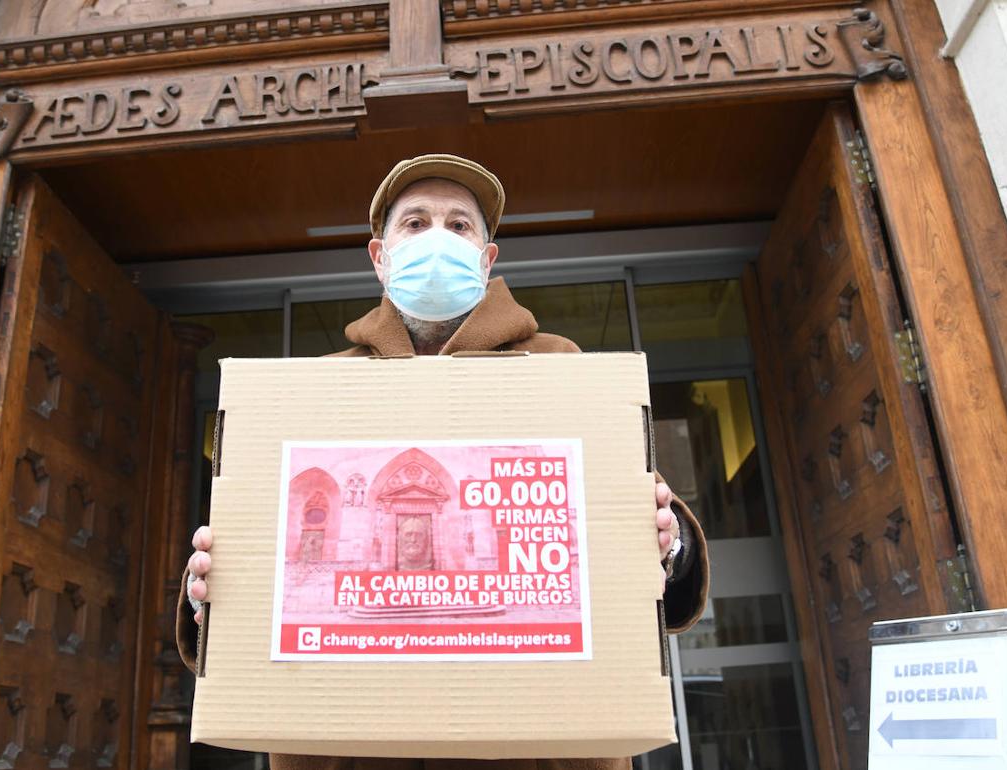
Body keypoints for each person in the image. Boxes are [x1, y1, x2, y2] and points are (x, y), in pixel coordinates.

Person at [178, 154, 709, 770]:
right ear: (380, 256)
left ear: (487, 260)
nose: (437, 237)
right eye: (416, 222)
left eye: (459, 226)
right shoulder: (317, 391)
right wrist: (212, 591)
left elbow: (648, 549)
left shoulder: (560, 366)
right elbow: (251, 580)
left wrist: (668, 547)